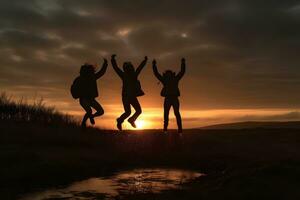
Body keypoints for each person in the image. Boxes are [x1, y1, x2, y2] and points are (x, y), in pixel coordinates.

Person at [111, 54, 147, 131]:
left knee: (138, 111)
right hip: (126, 96)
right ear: (125, 69)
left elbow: (140, 68)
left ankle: (130, 120)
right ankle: (120, 121)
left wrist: (145, 61)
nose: (129, 69)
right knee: (128, 112)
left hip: (132, 96)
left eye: (130, 68)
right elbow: (116, 68)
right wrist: (113, 60)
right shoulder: (124, 75)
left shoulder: (134, 75)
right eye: (127, 68)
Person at [152, 58, 186, 133]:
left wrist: (154, 65)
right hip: (171, 98)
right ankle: (168, 128)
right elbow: (182, 72)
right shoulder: (174, 79)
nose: (168, 75)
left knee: (172, 113)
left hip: (172, 98)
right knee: (171, 113)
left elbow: (182, 72)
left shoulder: (168, 79)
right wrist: (154, 65)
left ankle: (174, 129)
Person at [77, 59, 108, 128]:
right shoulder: (80, 79)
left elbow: (101, 72)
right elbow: (74, 88)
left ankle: (91, 117)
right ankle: (83, 124)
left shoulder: (93, 77)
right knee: (89, 111)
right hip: (83, 99)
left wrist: (105, 64)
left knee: (101, 111)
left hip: (91, 99)